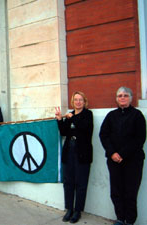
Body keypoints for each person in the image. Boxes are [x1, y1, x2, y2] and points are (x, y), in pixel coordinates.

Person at [99, 87, 146, 225]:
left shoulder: (137, 115)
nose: (122, 98)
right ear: (116, 99)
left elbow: (139, 139)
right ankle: (120, 218)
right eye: (120, 95)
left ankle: (130, 221)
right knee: (116, 192)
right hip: (114, 161)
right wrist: (112, 153)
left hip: (133, 161)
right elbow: (104, 135)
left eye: (125, 95)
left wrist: (122, 154)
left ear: (131, 98)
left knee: (130, 193)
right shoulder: (111, 116)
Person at [55, 91, 93, 223]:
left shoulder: (88, 114)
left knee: (81, 183)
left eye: (80, 100)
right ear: (73, 101)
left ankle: (78, 211)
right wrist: (60, 120)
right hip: (69, 151)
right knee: (68, 182)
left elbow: (85, 128)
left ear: (84, 102)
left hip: (82, 153)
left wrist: (72, 118)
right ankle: (69, 209)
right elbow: (64, 132)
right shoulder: (69, 115)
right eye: (76, 100)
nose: (78, 102)